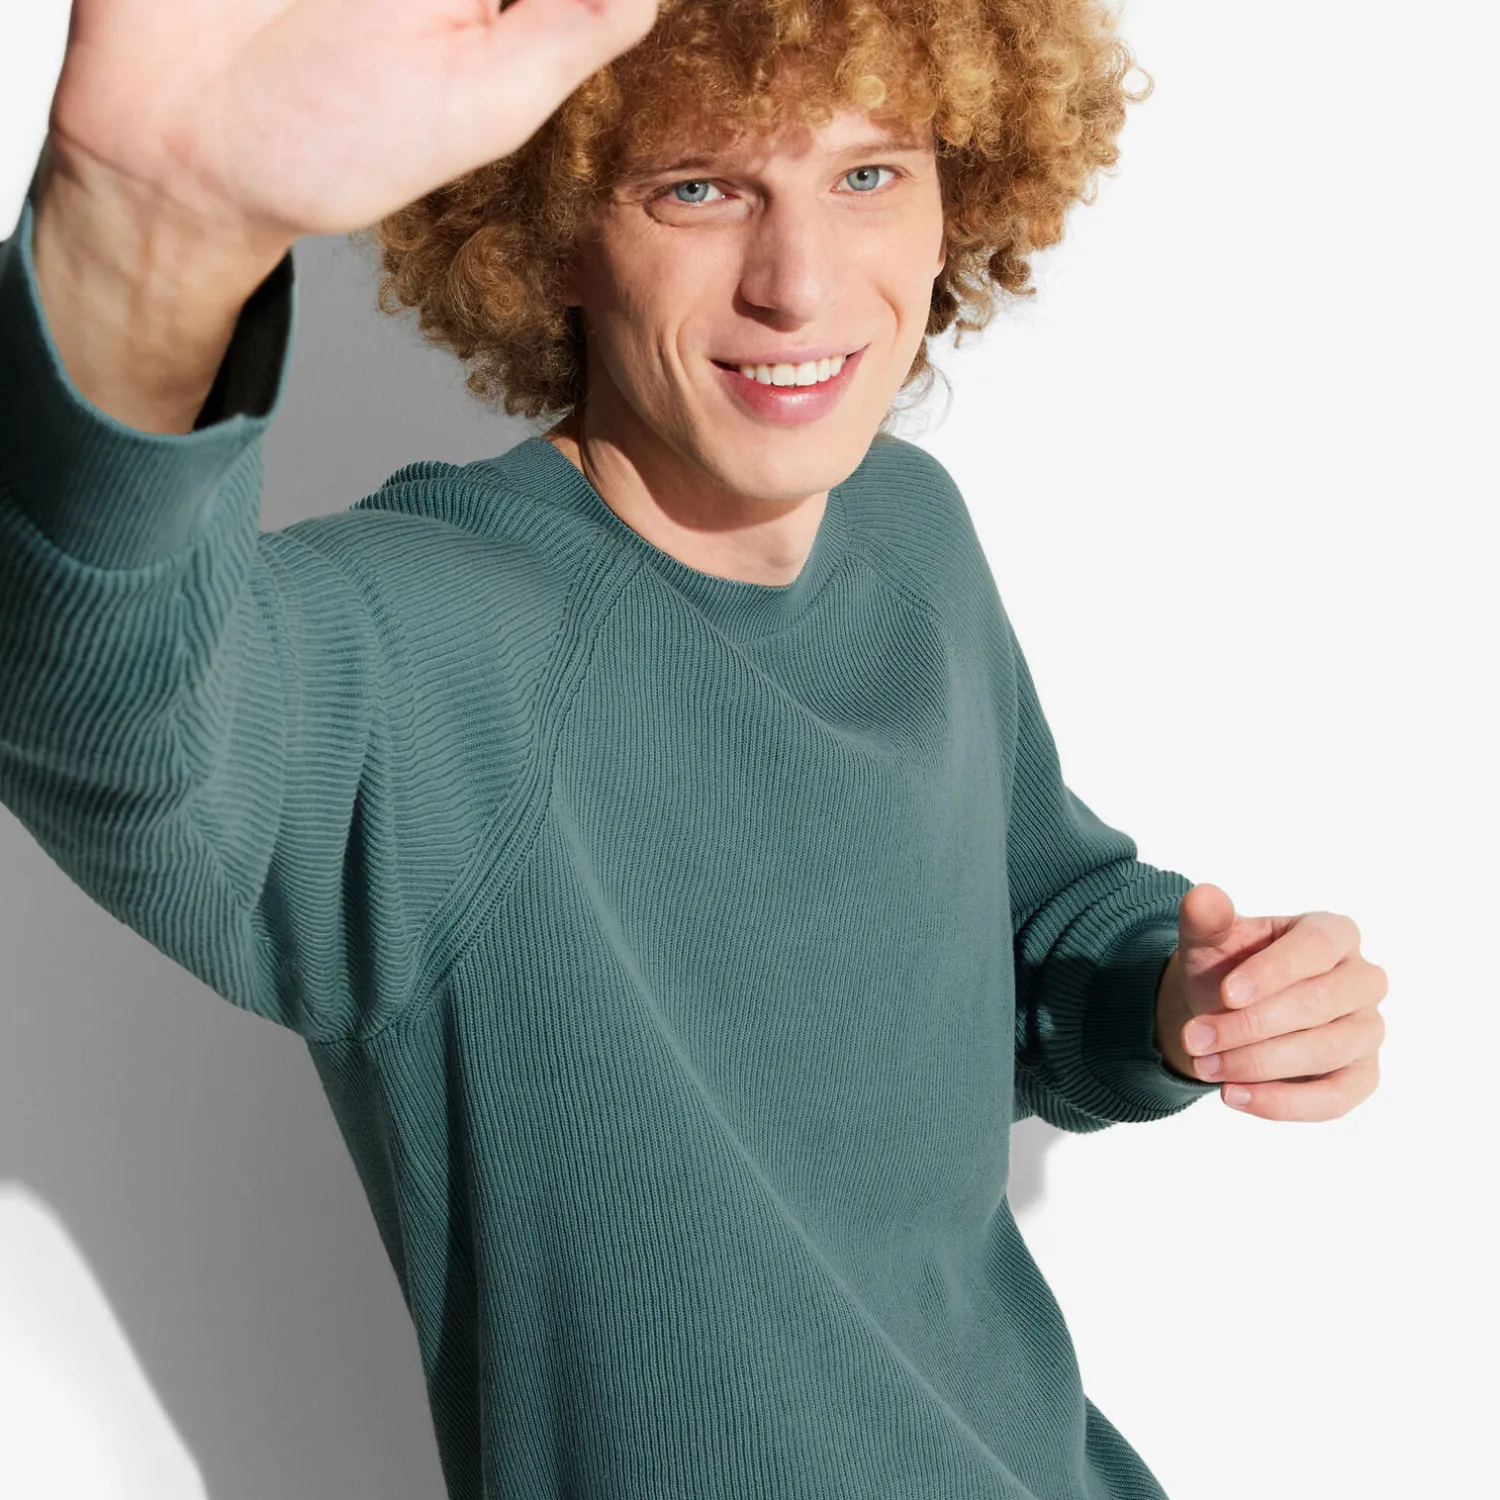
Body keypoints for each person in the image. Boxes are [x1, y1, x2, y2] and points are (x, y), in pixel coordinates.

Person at [0, 1, 1388, 1497]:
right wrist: (148, 243)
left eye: (869, 174)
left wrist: (1181, 998)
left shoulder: (910, 533)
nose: (801, 285)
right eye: (700, 187)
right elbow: (106, 704)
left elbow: (1021, 942)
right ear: (553, 232)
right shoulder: (438, 643)